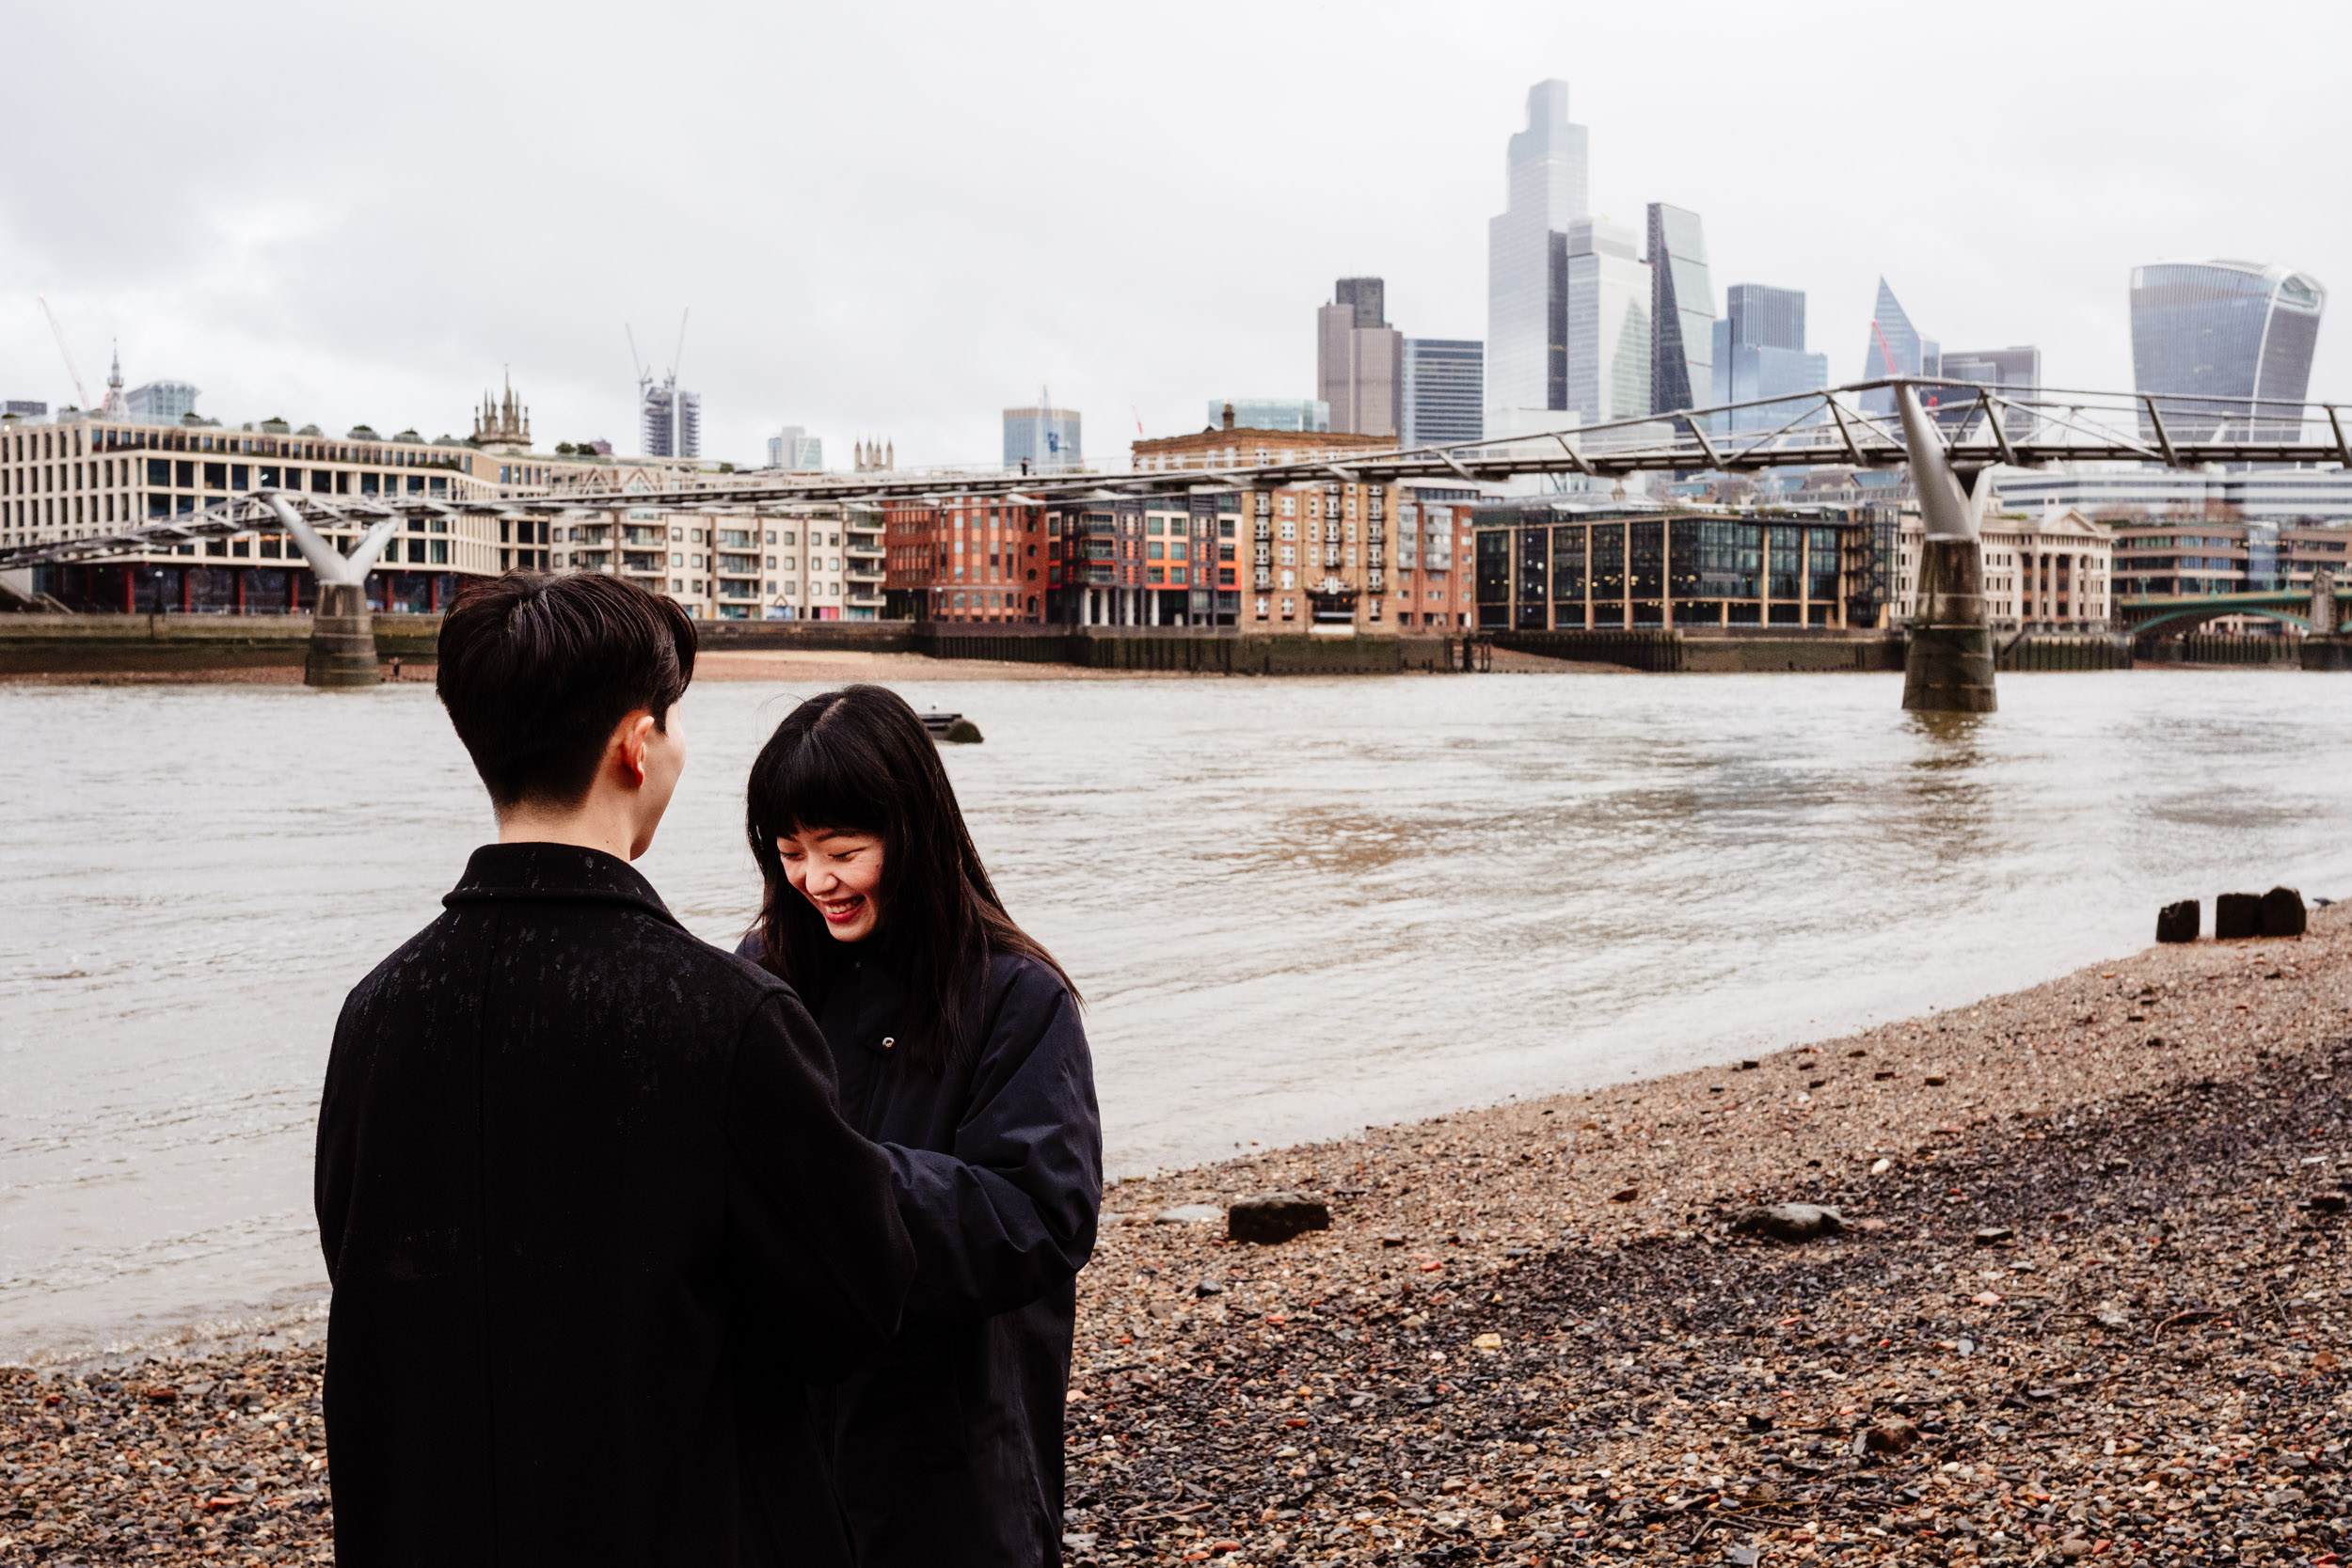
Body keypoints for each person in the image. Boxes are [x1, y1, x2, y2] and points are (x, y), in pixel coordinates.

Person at [315, 574, 914, 1566]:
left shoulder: (376, 1012)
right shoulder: (730, 1013)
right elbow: (853, 1303)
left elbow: (365, 1276)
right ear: (636, 743)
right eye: (672, 722)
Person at [740, 684, 1102, 1568]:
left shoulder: (1018, 995)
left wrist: (847, 1183)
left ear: (914, 833)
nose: (815, 880)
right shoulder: (760, 976)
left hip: (953, 1446)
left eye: (843, 850)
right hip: (786, 1438)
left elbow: (1043, 1218)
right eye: (790, 852)